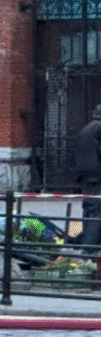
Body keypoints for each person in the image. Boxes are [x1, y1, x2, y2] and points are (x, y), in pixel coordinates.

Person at [73, 103, 101, 251]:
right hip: (97, 177)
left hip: (85, 176)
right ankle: (89, 249)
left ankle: (86, 243)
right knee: (97, 212)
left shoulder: (88, 128)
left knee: (89, 209)